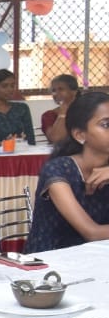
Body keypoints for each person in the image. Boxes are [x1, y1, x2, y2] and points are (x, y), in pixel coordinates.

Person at [25, 90, 109, 253]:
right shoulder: (58, 170)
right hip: (51, 265)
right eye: (106, 124)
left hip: (98, 257)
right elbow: (91, 232)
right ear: (80, 135)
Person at [40, 74, 80, 145]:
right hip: (62, 154)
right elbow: (56, 139)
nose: (56, 93)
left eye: (61, 89)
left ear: (74, 92)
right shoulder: (49, 115)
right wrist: (62, 114)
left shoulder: (87, 111)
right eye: (53, 90)